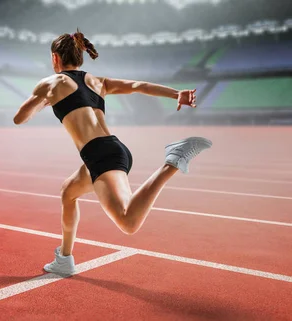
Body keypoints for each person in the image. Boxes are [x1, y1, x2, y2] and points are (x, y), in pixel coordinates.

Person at [13, 29, 212, 276]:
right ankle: (64, 258)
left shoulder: (50, 84)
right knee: (68, 191)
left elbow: (19, 118)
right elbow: (139, 86)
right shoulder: (96, 81)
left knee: (128, 222)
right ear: (80, 55)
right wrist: (176, 94)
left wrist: (43, 101)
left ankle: (173, 160)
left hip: (101, 156)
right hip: (109, 150)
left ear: (55, 58)